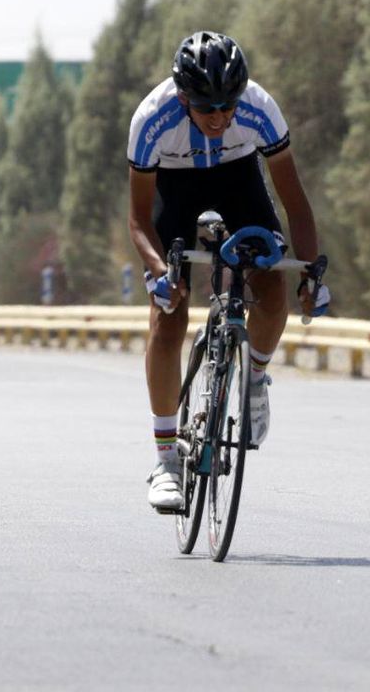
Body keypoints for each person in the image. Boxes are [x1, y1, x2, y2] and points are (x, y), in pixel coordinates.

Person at [125, 31, 330, 512]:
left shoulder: (259, 108)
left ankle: (254, 379)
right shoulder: (152, 119)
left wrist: (312, 272)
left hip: (239, 180)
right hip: (173, 190)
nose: (219, 118)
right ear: (182, 98)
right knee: (168, 314)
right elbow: (137, 218)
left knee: (270, 278)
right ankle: (165, 461)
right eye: (206, 108)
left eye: (228, 107)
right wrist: (159, 273)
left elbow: (294, 202)